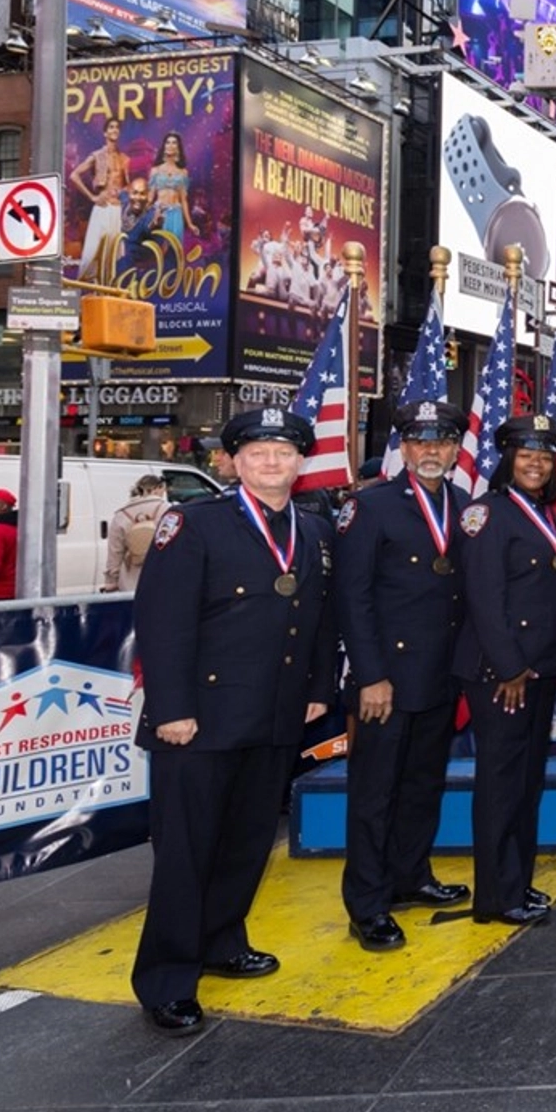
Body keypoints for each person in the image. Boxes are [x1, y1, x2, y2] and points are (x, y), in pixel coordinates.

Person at [130, 407, 336, 1037]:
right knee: (187, 853)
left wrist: (319, 690)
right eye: (258, 453)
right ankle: (167, 979)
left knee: (246, 844)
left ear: (301, 462)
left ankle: (222, 942)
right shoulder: (192, 524)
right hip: (199, 720)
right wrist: (172, 710)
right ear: (234, 462)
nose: (272, 462)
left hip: (274, 713)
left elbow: (320, 620)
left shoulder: (315, 528)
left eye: (283, 453)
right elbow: (162, 624)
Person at [335, 401, 472, 951]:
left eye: (441, 442)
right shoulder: (369, 508)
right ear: (404, 449)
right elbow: (352, 598)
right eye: (420, 442)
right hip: (385, 683)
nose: (431, 451)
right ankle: (367, 904)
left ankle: (411, 875)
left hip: (440, 677)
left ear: (457, 450)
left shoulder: (463, 505)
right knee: (375, 793)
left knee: (423, 785)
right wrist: (371, 675)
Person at [454, 414, 556, 927]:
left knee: (526, 783)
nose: (536, 463)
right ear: (507, 458)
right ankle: (496, 897)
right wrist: (510, 667)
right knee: (502, 784)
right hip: (502, 676)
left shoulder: (542, 513)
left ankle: (516, 883)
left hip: (537, 670)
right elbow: (484, 598)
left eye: (545, 456)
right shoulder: (487, 514)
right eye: (526, 454)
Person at [70, 116, 130, 283]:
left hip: (117, 209)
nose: (114, 130)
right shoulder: (97, 155)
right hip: (102, 207)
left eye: (117, 127)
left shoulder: (124, 158)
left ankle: (107, 288)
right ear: (105, 132)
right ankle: (90, 288)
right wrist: (92, 197)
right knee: (94, 250)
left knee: (113, 252)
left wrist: (125, 192)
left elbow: (127, 185)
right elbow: (74, 175)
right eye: (111, 127)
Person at [102, 474, 169, 593]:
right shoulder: (169, 510)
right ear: (156, 489)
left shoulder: (121, 515)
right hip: (162, 577)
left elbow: (115, 553)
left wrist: (111, 582)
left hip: (130, 582)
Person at [150, 132, 196, 241]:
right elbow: (150, 197)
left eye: (174, 143)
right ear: (164, 146)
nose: (170, 145)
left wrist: (190, 224)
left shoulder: (182, 172)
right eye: (168, 142)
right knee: (159, 249)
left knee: (174, 249)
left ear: (178, 147)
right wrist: (146, 216)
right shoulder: (155, 170)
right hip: (159, 213)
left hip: (176, 215)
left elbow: (184, 200)